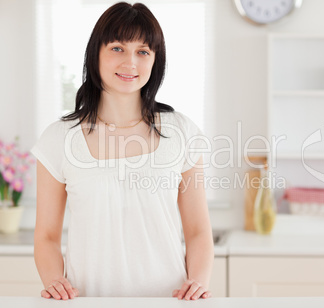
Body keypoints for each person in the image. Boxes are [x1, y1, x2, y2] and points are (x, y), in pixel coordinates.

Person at [30, 2, 214, 301]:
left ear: (156, 61)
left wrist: (198, 282)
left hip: (170, 301)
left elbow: (197, 230)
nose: (131, 63)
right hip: (87, 301)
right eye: (117, 48)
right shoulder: (59, 139)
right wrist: (54, 281)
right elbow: (47, 236)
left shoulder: (182, 132)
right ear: (95, 54)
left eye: (143, 52)